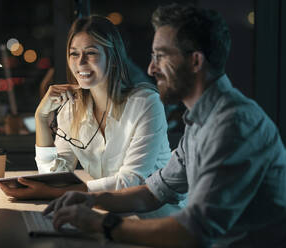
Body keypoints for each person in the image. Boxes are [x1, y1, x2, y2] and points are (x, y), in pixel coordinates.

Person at [43, 4, 286, 248]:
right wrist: (90, 199)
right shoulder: (201, 120)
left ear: (195, 61)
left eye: (161, 56)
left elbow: (195, 232)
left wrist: (101, 224)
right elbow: (154, 191)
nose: (150, 69)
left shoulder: (232, 124)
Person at [0, 15, 176, 214]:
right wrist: (41, 119)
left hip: (156, 218)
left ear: (113, 58)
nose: (80, 62)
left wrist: (55, 193)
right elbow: (54, 176)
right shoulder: (71, 108)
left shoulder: (146, 103)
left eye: (90, 53)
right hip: (108, 211)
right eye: (74, 54)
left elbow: (131, 182)